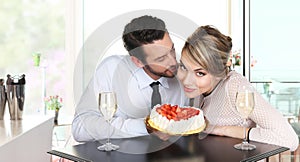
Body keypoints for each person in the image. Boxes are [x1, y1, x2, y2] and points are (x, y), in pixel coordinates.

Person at [176, 25, 299, 151]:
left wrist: (222, 130)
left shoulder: (235, 85)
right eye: (184, 67)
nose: (186, 80)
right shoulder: (200, 91)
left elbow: (289, 139)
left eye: (200, 73)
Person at [72, 15, 188, 142]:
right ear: (138, 62)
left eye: (172, 50)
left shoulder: (185, 73)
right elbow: (80, 128)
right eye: (161, 59)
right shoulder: (111, 70)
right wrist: (145, 126)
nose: (173, 61)